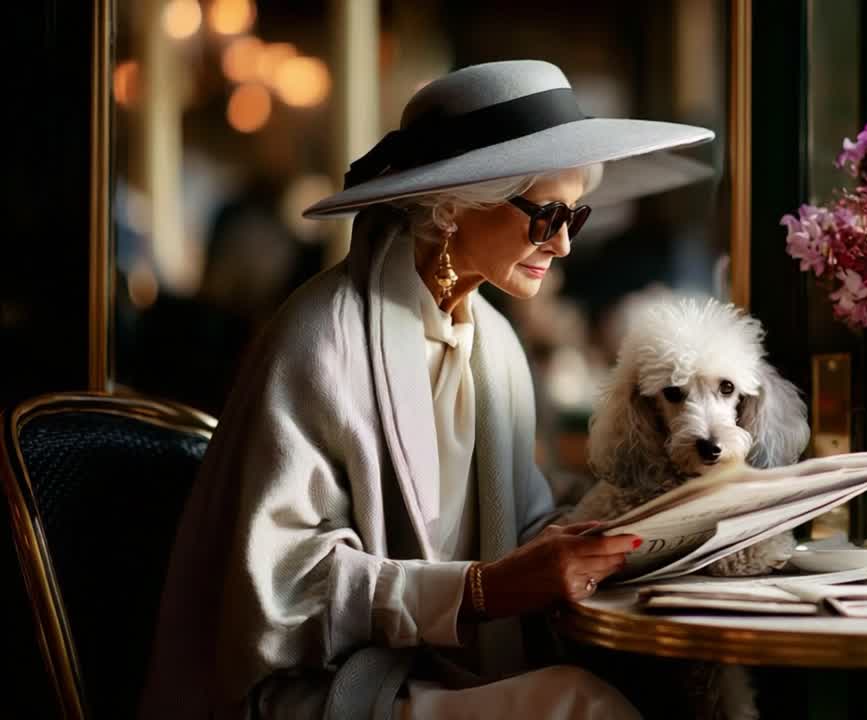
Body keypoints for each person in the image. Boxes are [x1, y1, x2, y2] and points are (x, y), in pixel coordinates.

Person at [140, 59, 714, 719]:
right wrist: (479, 592)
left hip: (436, 666)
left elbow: (524, 530)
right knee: (582, 706)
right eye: (546, 215)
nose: (561, 246)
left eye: (574, 217)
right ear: (453, 207)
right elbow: (283, 589)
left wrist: (649, 514)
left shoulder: (495, 346)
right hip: (326, 688)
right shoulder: (321, 338)